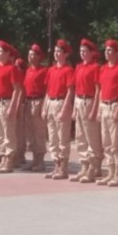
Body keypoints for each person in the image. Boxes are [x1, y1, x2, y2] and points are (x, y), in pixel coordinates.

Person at [96, 39, 118, 187]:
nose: (107, 53)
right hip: (104, 105)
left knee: (117, 142)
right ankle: (110, 171)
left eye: (110, 50)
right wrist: (99, 108)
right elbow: (100, 89)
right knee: (106, 142)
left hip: (115, 105)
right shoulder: (103, 68)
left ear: (116, 53)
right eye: (106, 50)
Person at [70, 39, 102, 183]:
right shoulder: (78, 67)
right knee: (80, 136)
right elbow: (75, 88)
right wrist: (74, 109)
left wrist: (94, 109)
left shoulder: (95, 67)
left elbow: (98, 90)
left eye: (85, 51)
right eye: (81, 51)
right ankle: (84, 165)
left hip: (89, 101)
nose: (82, 53)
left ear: (91, 53)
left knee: (91, 136)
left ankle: (93, 166)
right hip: (79, 100)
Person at [43, 39, 75, 180]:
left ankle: (63, 167)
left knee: (62, 137)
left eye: (59, 52)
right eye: (55, 51)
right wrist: (44, 107)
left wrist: (65, 109)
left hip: (61, 102)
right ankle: (56, 164)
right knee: (52, 137)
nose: (56, 54)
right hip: (51, 102)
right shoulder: (51, 70)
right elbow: (48, 90)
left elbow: (70, 91)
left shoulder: (68, 70)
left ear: (65, 54)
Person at [0, 40, 22, 173]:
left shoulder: (12, 68)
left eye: (1, 52)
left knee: (8, 133)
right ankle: (2, 158)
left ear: (8, 54)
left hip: (6, 103)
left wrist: (12, 107)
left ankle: (9, 160)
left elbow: (16, 89)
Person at [23, 44, 48, 172]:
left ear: (39, 57)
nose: (30, 57)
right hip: (28, 101)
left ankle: (40, 161)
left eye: (33, 54)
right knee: (30, 133)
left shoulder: (43, 71)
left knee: (39, 133)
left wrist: (44, 105)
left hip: (38, 101)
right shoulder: (28, 70)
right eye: (29, 54)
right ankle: (34, 160)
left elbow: (47, 89)